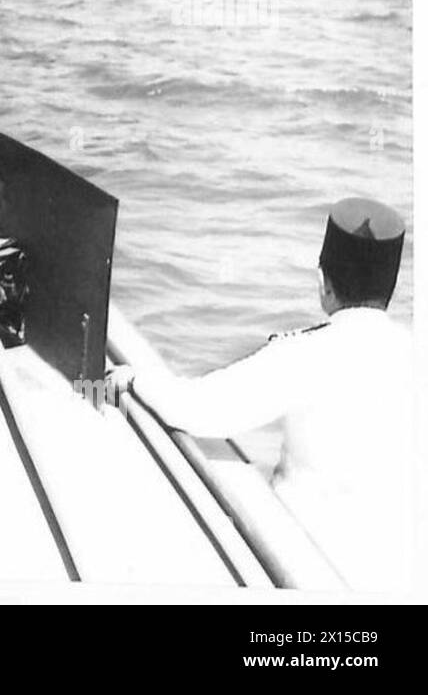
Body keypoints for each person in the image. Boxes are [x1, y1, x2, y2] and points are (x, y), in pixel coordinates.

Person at [111, 197, 412, 590]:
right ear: (392, 286)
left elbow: (197, 409)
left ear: (323, 284)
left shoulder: (302, 355)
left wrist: (136, 379)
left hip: (305, 566)